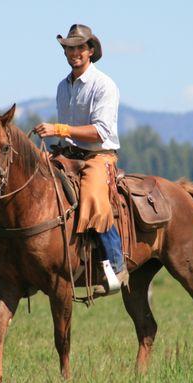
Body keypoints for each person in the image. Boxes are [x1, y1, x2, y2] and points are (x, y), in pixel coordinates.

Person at [33, 24, 127, 294]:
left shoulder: (104, 85)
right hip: (67, 154)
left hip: (99, 156)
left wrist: (58, 129)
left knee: (92, 197)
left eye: (79, 47)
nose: (74, 52)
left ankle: (116, 266)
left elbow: (101, 131)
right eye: (69, 48)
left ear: (90, 51)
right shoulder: (63, 87)